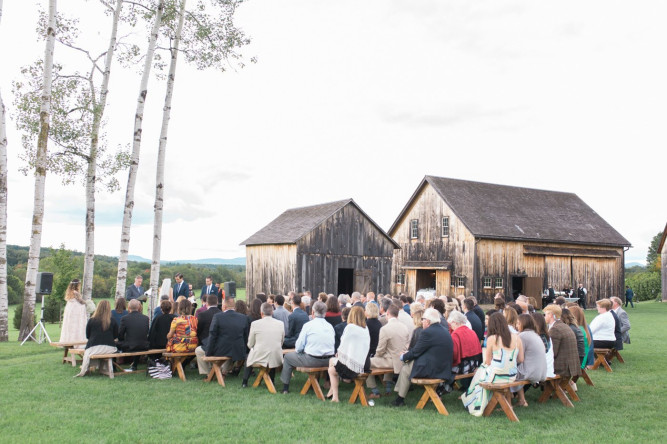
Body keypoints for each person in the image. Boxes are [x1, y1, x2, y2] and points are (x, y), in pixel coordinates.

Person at [462, 313, 522, 416]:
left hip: (496, 376)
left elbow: (488, 361)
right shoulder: (517, 338)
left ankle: (473, 402)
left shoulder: (492, 339)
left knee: (479, 373)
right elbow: (521, 359)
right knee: (481, 371)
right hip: (511, 375)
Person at [391, 308, 454, 407]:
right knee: (408, 363)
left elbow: (416, 352)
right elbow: (425, 350)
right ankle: (399, 396)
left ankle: (399, 399)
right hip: (443, 367)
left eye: (423, 319)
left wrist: (403, 357)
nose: (421, 321)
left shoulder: (427, 332)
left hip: (434, 369)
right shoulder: (444, 330)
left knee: (406, 367)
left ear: (428, 321)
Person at [280, 301, 335, 394]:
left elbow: (299, 346)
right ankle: (314, 385)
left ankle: (285, 387)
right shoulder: (330, 326)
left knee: (288, 357)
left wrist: (301, 351)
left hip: (312, 360)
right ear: (325, 313)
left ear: (312, 312)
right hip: (328, 360)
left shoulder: (308, 325)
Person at [326, 306, 371, 402]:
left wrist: (340, 354)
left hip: (353, 366)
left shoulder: (350, 327)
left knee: (331, 370)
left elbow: (343, 344)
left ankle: (335, 396)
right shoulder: (365, 328)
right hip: (364, 363)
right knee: (331, 361)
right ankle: (331, 391)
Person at [367, 305, 410, 398]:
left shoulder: (385, 329)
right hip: (402, 360)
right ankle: (388, 389)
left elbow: (380, 349)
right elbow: (407, 345)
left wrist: (376, 356)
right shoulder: (404, 327)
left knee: (364, 363)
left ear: (387, 314)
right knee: (388, 356)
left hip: (392, 361)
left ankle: (375, 391)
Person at [202, 297, 250, 376]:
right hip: (238, 350)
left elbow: (212, 336)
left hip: (222, 350)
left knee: (199, 350)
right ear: (234, 306)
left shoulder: (217, 317)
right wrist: (245, 351)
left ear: (224, 306)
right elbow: (246, 336)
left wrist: (208, 353)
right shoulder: (243, 317)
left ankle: (209, 373)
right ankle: (223, 370)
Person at [242, 302, 285, 387]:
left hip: (259, 355)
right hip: (276, 355)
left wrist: (253, 347)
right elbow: (281, 341)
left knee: (249, 357)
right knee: (272, 354)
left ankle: (244, 382)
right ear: (272, 312)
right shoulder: (280, 324)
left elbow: (250, 343)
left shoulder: (255, 324)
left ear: (261, 313)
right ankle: (271, 380)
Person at [74, 300, 118, 377]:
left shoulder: (91, 320)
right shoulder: (113, 320)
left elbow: (88, 336)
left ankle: (88, 367)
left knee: (88, 352)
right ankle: (102, 368)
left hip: (94, 347)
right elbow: (115, 336)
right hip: (110, 348)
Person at [512, 314, 546, 407]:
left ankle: (507, 403)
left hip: (531, 372)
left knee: (507, 372)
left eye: (518, 323)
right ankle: (522, 400)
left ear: (524, 324)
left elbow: (519, 358)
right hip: (541, 371)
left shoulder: (522, 336)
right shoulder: (535, 335)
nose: (516, 326)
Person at [543, 304, 581, 379]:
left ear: (550, 315)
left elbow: (552, 352)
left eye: (545, 314)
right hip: (572, 365)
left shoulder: (555, 329)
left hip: (562, 367)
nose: (544, 317)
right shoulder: (564, 325)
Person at [448, 311, 483, 391]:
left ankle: (439, 392)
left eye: (451, 324)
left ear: (455, 322)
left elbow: (454, 355)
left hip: (464, 367)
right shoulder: (472, 331)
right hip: (474, 364)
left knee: (441, 369)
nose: (451, 327)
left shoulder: (456, 334)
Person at [118, 299, 150, 371]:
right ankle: (134, 365)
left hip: (130, 346)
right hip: (144, 345)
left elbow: (120, 335)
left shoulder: (125, 318)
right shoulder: (145, 318)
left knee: (116, 343)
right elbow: (146, 331)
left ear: (128, 307)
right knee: (137, 342)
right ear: (139, 307)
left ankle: (114, 367)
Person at [59, 279, 88, 346]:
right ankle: (77, 341)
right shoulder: (76, 293)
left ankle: (68, 340)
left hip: (70, 309)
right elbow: (80, 301)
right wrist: (87, 303)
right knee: (77, 325)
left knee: (70, 325)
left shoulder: (69, 293)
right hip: (76, 310)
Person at [531, 312, 555, 378]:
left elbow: (544, 352)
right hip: (547, 367)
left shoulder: (541, 337)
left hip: (543, 369)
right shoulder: (545, 335)